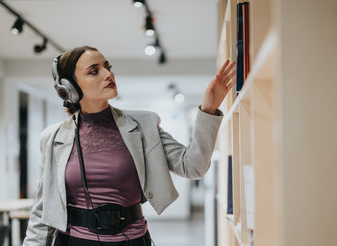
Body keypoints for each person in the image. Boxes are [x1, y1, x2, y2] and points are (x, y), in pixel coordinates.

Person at [22, 46, 236, 246]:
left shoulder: (144, 125)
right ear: (68, 88)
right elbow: (43, 211)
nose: (108, 74)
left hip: (132, 240)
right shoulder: (52, 138)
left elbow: (193, 166)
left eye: (108, 67)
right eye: (94, 71)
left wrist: (208, 109)